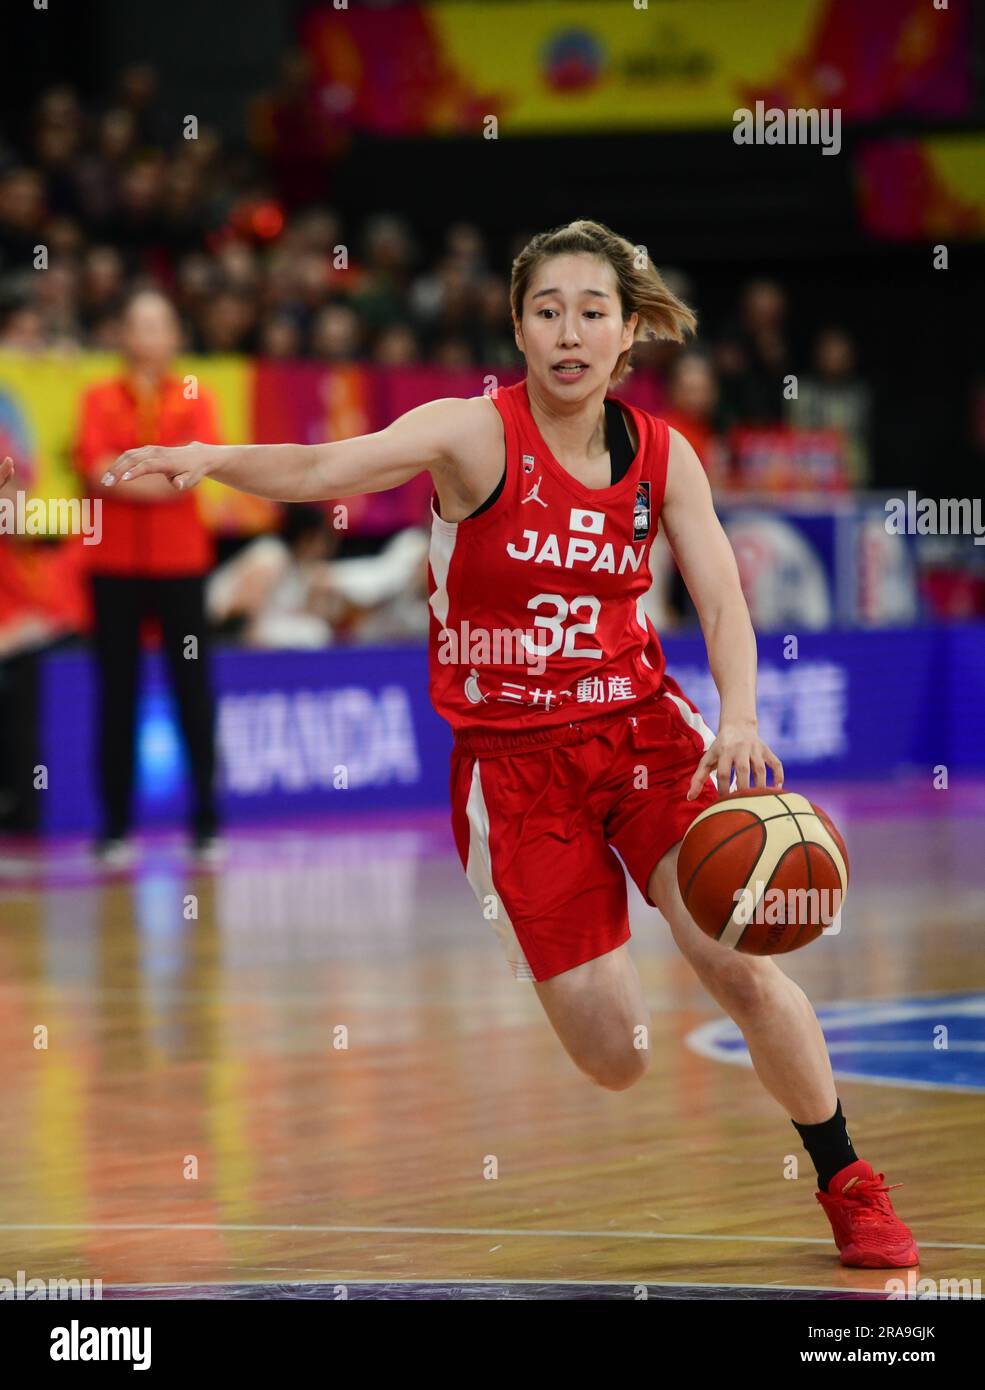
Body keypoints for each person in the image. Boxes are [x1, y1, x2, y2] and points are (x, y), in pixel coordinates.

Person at [98, 220, 918, 1268]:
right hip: (512, 767)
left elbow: (720, 594)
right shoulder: (469, 434)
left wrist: (744, 715)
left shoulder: (663, 455)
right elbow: (323, 465)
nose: (568, 332)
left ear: (627, 333)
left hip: (642, 735)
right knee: (616, 1057)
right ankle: (592, 929)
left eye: (591, 312)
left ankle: (848, 1179)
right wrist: (212, 457)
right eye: (546, 311)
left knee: (740, 960)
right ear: (518, 329)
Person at [74, 288, 222, 864]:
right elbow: (93, 469)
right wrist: (152, 480)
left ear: (175, 336)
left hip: (181, 565)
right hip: (111, 567)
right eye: (138, 324)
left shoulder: (196, 397)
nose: (148, 336)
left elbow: (191, 473)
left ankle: (207, 821)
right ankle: (115, 827)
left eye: (160, 324)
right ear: (123, 335)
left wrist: (128, 475)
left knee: (192, 691)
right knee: (116, 692)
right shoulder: (96, 397)